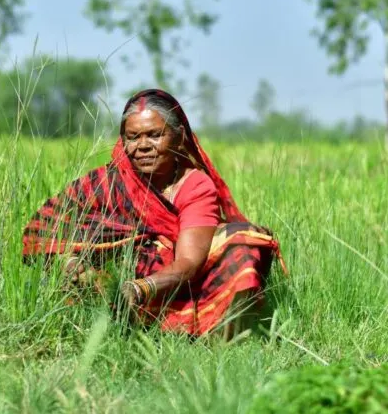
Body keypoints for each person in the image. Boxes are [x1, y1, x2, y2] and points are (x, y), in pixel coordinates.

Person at [21, 88, 287, 339]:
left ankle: (219, 334)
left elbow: (189, 263)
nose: (143, 146)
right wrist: (69, 262)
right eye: (133, 137)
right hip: (114, 282)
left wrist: (139, 288)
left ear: (180, 136)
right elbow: (45, 227)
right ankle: (106, 326)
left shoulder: (195, 185)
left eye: (154, 135)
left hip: (177, 284)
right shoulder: (108, 183)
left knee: (242, 242)